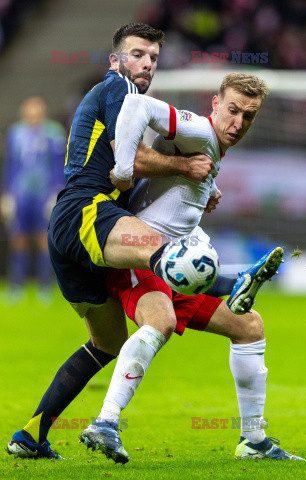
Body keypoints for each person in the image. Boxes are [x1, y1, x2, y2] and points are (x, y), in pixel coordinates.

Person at [7, 22, 213, 460]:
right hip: (86, 210)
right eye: (137, 54)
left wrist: (190, 178)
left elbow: (132, 175)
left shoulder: (123, 98)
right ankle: (227, 287)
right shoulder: (118, 90)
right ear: (116, 60)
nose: (146, 64)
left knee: (107, 344)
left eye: (153, 58)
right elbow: (134, 158)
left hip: (74, 226)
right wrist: (186, 168)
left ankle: (29, 436)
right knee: (170, 253)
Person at [79, 73, 304, 463]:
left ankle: (253, 440)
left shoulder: (210, 154)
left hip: (174, 269)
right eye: (232, 110)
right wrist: (122, 168)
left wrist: (202, 189)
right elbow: (137, 106)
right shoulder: (199, 131)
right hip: (140, 257)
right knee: (160, 321)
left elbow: (175, 203)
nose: (238, 123)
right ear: (215, 105)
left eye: (248, 116)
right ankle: (106, 422)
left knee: (249, 326)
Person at [0, 96, 66, 305]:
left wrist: (57, 192)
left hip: (43, 193)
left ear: (42, 111)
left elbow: (59, 165)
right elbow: (9, 164)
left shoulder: (54, 133)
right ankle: (16, 285)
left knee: (43, 238)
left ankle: (45, 286)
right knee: (17, 237)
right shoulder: (15, 133)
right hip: (20, 193)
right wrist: (6, 193)